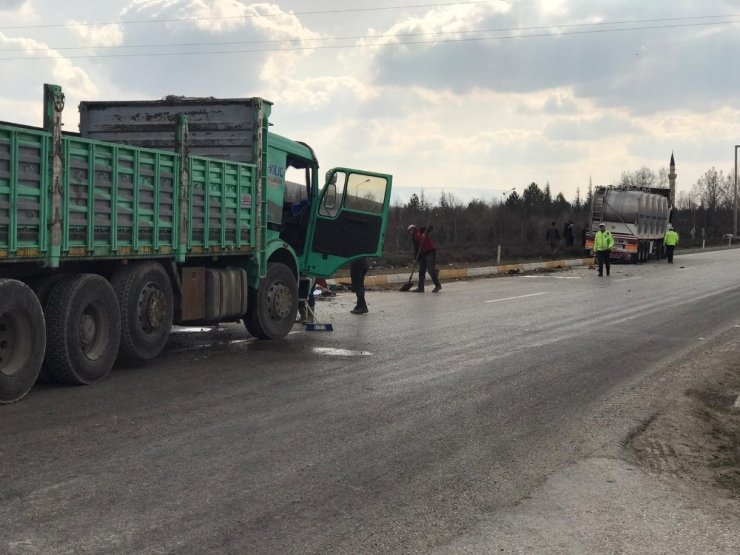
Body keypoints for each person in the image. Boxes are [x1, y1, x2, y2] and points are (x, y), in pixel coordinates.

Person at [407, 224, 442, 293]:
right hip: (423, 254)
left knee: (430, 269)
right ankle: (421, 288)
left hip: (430, 251)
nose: (410, 231)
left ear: (414, 229)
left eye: (411, 229)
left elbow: (431, 227)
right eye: (409, 231)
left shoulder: (420, 229)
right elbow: (416, 249)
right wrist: (415, 258)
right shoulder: (413, 238)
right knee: (421, 271)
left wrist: (425, 234)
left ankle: (438, 285)